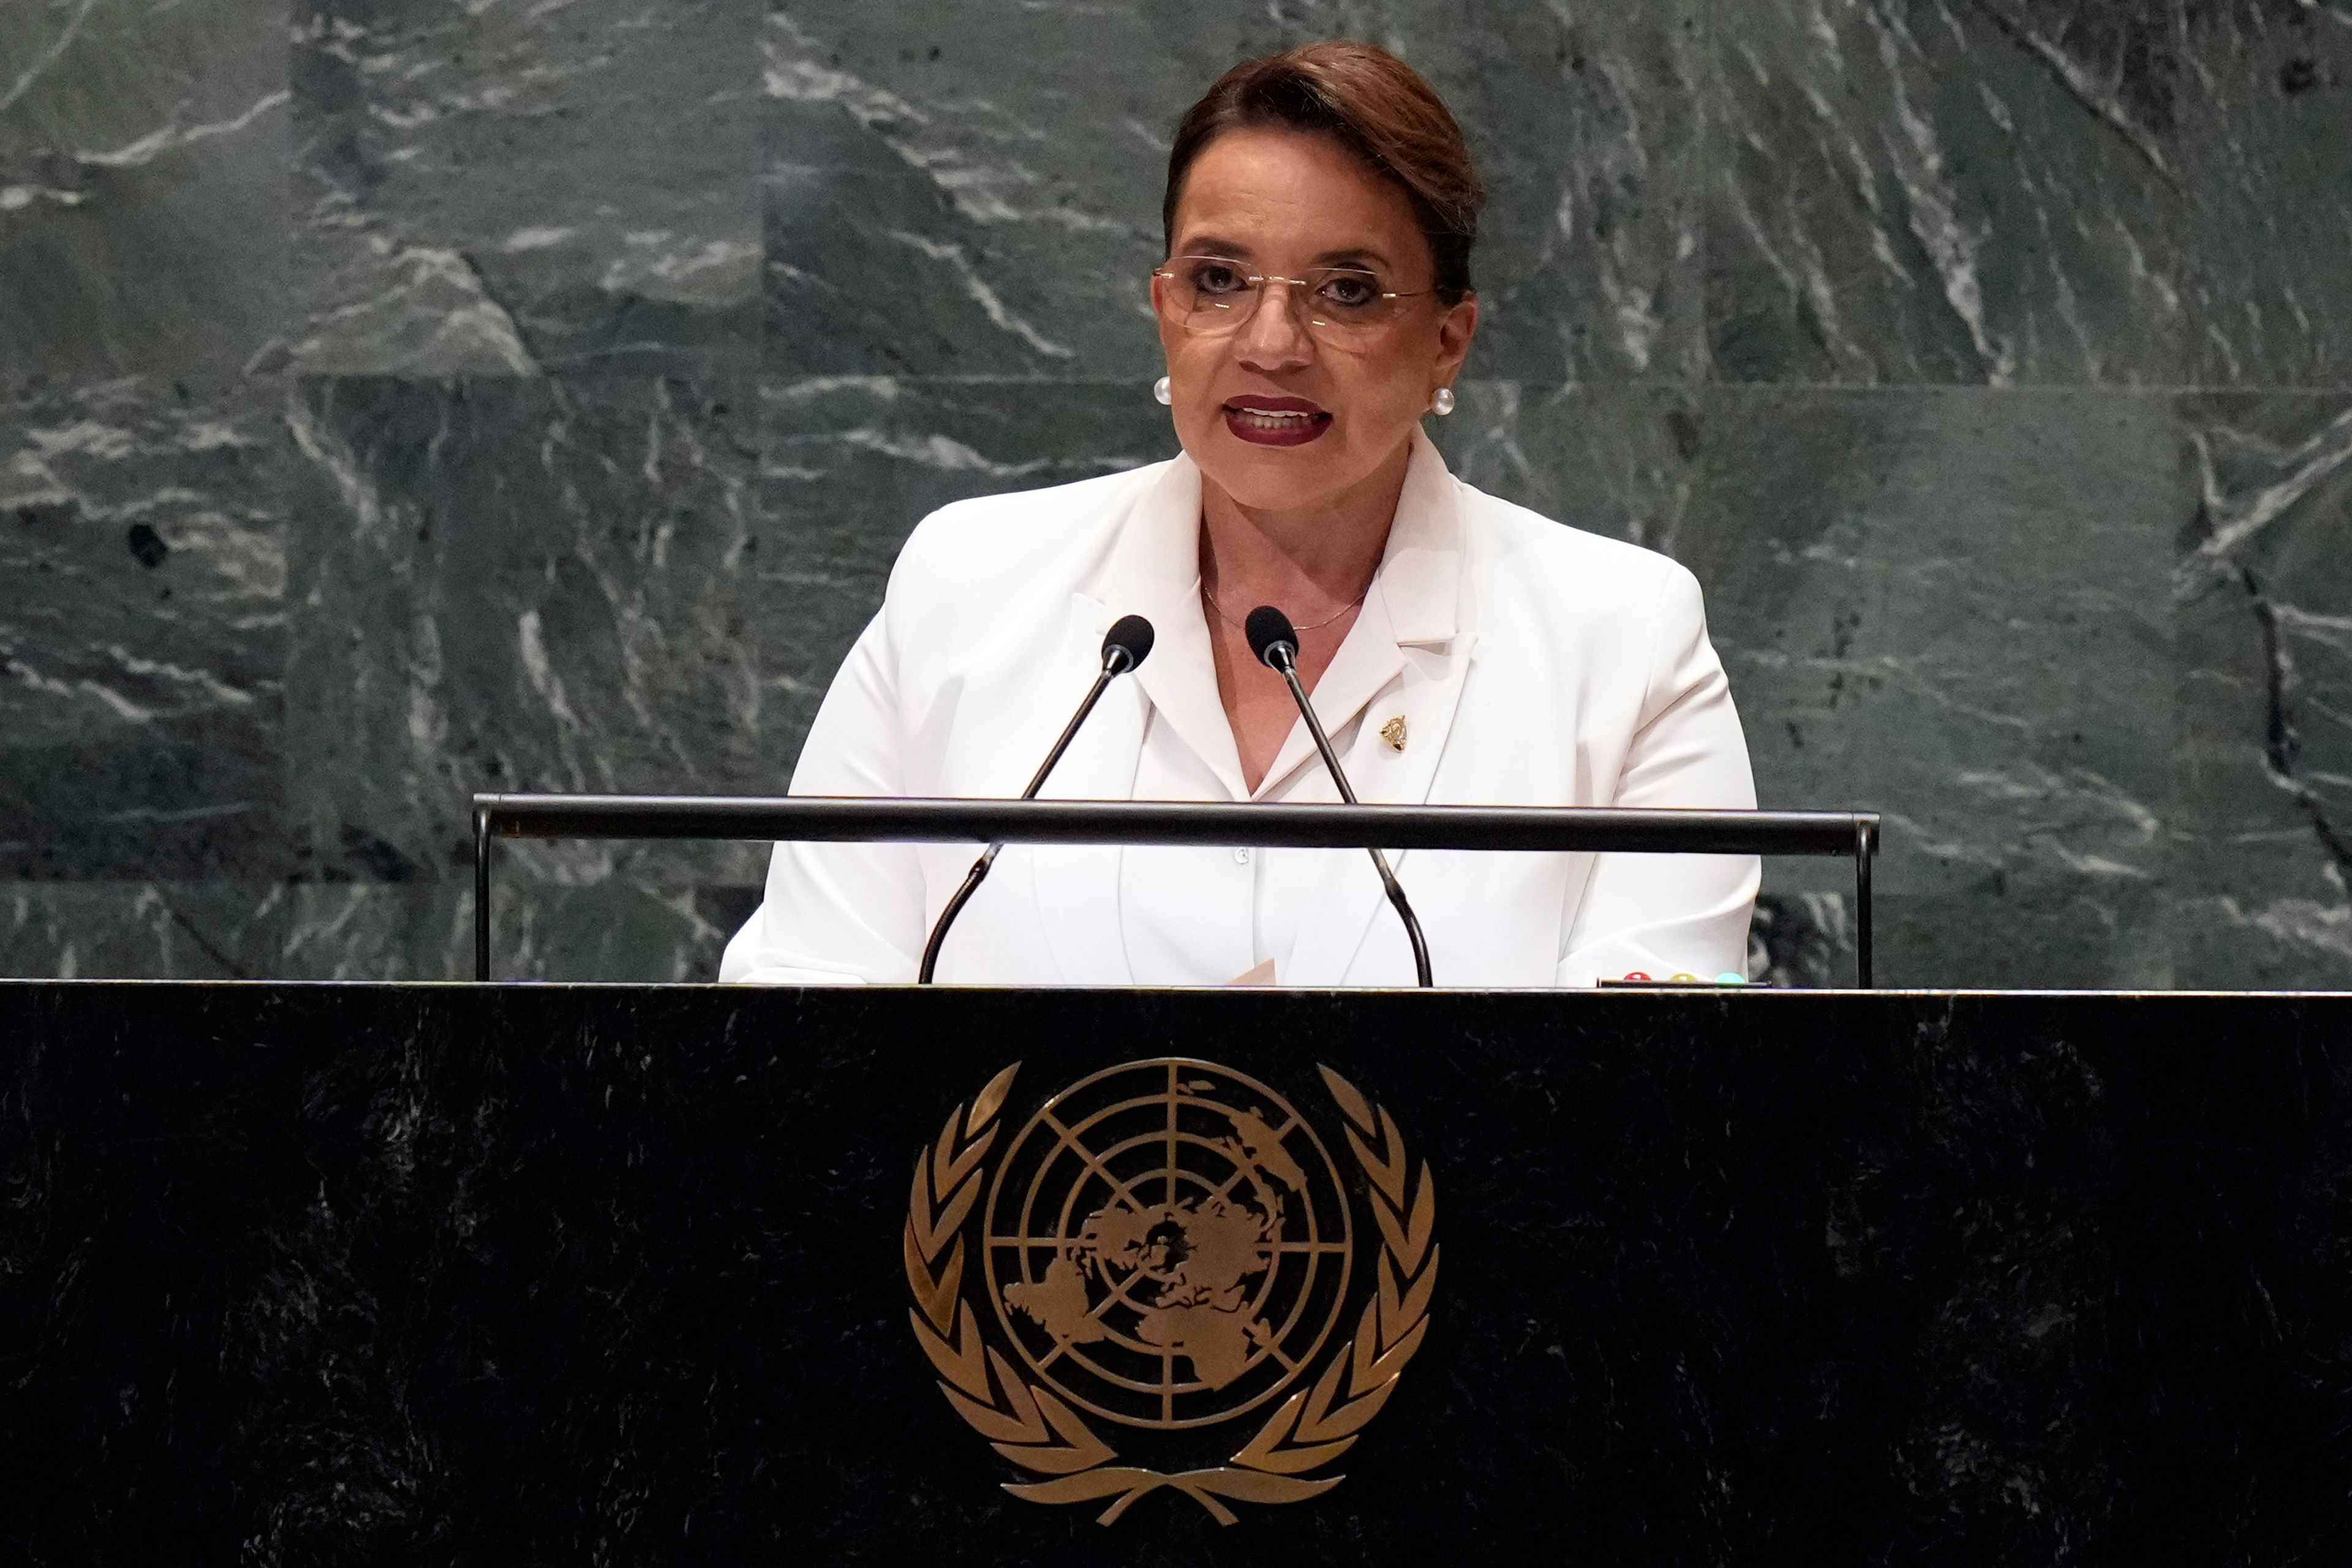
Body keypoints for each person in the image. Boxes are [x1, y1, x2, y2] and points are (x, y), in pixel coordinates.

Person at [721, 40, 1756, 987]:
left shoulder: (1622, 643)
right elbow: (800, 1014)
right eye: (1219, 280)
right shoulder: (964, 588)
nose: (1271, 343)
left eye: (1346, 291)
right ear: (1165, 306)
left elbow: (1651, 1114)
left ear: (1449, 341)